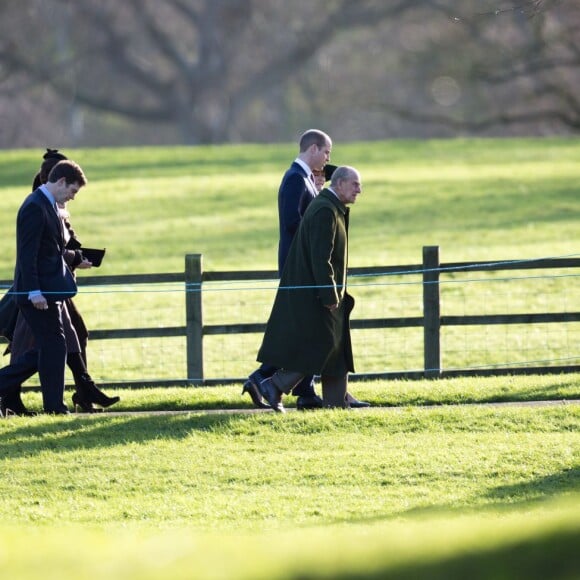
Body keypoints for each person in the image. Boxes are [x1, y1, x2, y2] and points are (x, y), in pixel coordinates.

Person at [0, 150, 119, 415]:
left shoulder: (49, 206)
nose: (73, 197)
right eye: (73, 191)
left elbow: (52, 251)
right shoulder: (34, 207)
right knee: (53, 347)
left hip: (49, 291)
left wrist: (76, 257)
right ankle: (53, 406)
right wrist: (34, 292)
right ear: (62, 181)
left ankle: (55, 406)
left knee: (53, 348)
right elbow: (27, 256)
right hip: (36, 294)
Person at [255, 166, 362, 413]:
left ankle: (336, 404)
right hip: (318, 296)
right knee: (321, 345)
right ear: (340, 183)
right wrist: (329, 294)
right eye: (355, 184)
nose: (359, 190)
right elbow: (320, 258)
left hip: (324, 293)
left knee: (335, 347)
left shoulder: (332, 207)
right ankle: (274, 385)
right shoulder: (325, 210)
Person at [242, 129, 332, 410]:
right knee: (301, 328)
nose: (328, 159)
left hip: (300, 264)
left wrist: (317, 194)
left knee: (303, 328)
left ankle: (305, 392)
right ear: (313, 149)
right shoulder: (294, 178)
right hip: (296, 266)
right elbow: (292, 222)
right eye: (327, 152)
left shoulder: (305, 179)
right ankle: (261, 376)